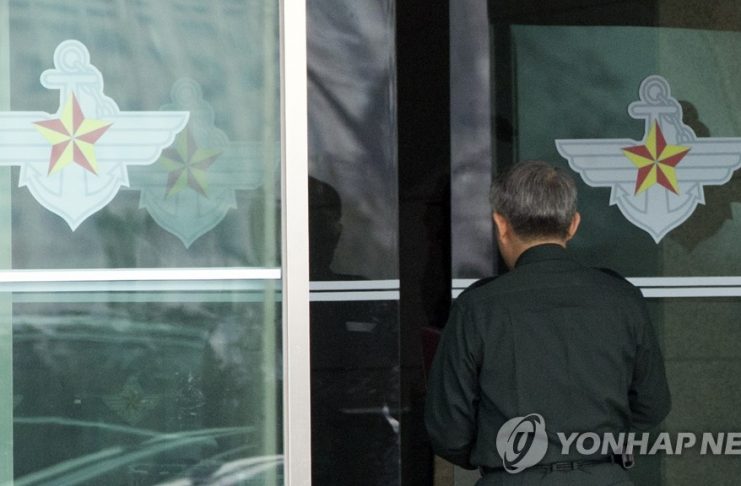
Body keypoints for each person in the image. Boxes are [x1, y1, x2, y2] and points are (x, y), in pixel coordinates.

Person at [425, 160, 671, 485]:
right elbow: (652, 405)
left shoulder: (478, 307)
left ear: (500, 224)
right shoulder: (621, 298)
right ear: (573, 225)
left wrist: (500, 455)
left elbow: (448, 431)